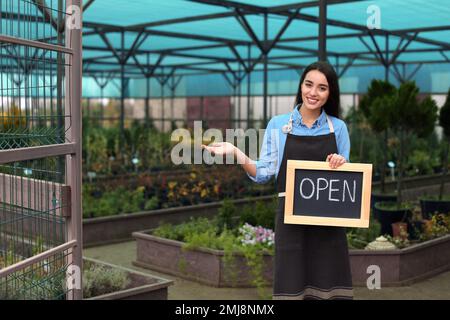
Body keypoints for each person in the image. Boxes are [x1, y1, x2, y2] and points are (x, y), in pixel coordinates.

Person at [202, 61, 352, 300]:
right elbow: (263, 173)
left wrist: (340, 164)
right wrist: (236, 152)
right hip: (291, 222)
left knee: (328, 288)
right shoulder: (279, 125)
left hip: (328, 225)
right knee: (291, 286)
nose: (313, 93)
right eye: (308, 84)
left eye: (322, 88)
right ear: (301, 86)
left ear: (330, 92)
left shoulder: (339, 129)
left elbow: (347, 182)